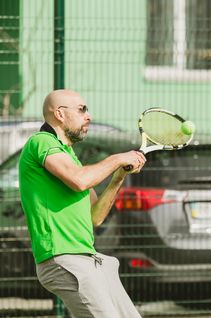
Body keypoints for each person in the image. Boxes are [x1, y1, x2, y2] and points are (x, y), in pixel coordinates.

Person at [18, 89, 146, 317]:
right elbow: (79, 180)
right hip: (63, 258)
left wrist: (118, 176)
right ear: (59, 113)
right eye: (81, 110)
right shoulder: (41, 142)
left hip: (90, 260)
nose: (89, 116)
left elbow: (95, 216)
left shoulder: (70, 156)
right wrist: (117, 158)